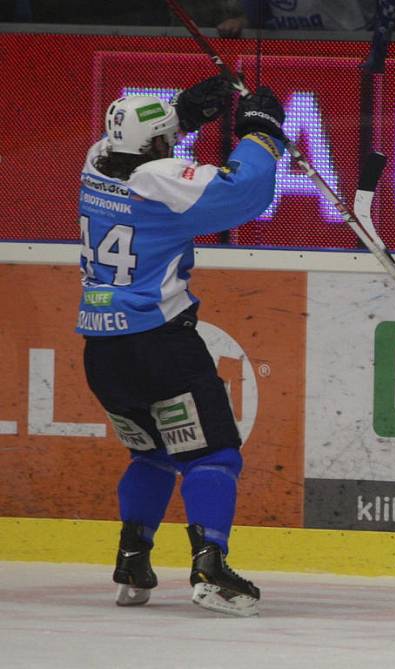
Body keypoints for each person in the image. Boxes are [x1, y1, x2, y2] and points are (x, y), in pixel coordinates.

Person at [77, 75, 285, 616]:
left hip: (102, 352)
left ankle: (132, 559)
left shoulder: (95, 162)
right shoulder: (160, 181)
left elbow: (142, 149)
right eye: (169, 137)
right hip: (160, 346)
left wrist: (184, 115)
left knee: (151, 453)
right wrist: (262, 133)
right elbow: (244, 193)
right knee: (212, 452)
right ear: (156, 148)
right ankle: (210, 566)